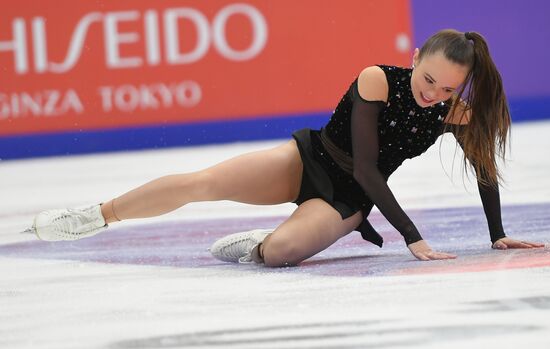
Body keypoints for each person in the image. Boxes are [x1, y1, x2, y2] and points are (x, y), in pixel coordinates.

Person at [30, 29, 544, 267]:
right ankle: (96, 215)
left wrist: (497, 233)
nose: (432, 94)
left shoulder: (454, 114)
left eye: (447, 89)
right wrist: (411, 235)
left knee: (280, 254)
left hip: (346, 200)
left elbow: (483, 168)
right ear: (414, 57)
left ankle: (259, 242)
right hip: (309, 161)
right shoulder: (377, 80)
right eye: (428, 79)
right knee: (201, 183)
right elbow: (366, 164)